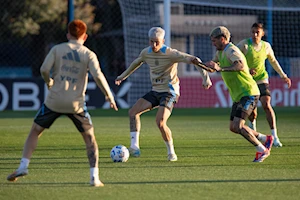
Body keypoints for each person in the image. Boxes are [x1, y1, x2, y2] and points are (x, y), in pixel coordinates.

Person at [6, 19, 118, 187]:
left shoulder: (57, 49)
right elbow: (98, 75)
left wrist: (49, 81)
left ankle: (23, 166)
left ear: (68, 34)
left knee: (35, 131)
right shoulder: (88, 54)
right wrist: (109, 96)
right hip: (76, 104)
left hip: (54, 101)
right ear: (85, 36)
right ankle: (94, 177)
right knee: (89, 139)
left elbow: (44, 69)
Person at [115, 27, 212, 162]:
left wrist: (205, 78)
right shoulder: (146, 53)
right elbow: (136, 63)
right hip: (156, 91)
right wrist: (122, 76)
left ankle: (171, 152)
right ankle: (134, 147)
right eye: (151, 42)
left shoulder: (171, 53)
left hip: (170, 92)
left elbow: (195, 59)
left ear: (163, 41)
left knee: (160, 122)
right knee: (133, 112)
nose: (154, 45)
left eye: (157, 42)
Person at [205, 26, 274, 162]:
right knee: (233, 127)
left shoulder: (231, 50)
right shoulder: (220, 52)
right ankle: (265, 138)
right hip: (239, 95)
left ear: (222, 39)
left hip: (248, 92)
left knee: (239, 125)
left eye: (214, 41)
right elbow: (213, 65)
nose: (213, 44)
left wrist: (220, 68)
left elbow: (240, 65)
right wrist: (200, 64)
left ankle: (262, 150)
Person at [237, 23, 291, 147]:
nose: (255, 35)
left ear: (262, 33)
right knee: (253, 113)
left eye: (257, 32)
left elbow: (273, 61)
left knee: (266, 104)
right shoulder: (244, 45)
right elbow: (235, 59)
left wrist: (283, 75)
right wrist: (246, 69)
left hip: (262, 79)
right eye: (253, 32)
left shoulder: (266, 46)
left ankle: (275, 136)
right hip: (248, 81)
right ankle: (253, 127)